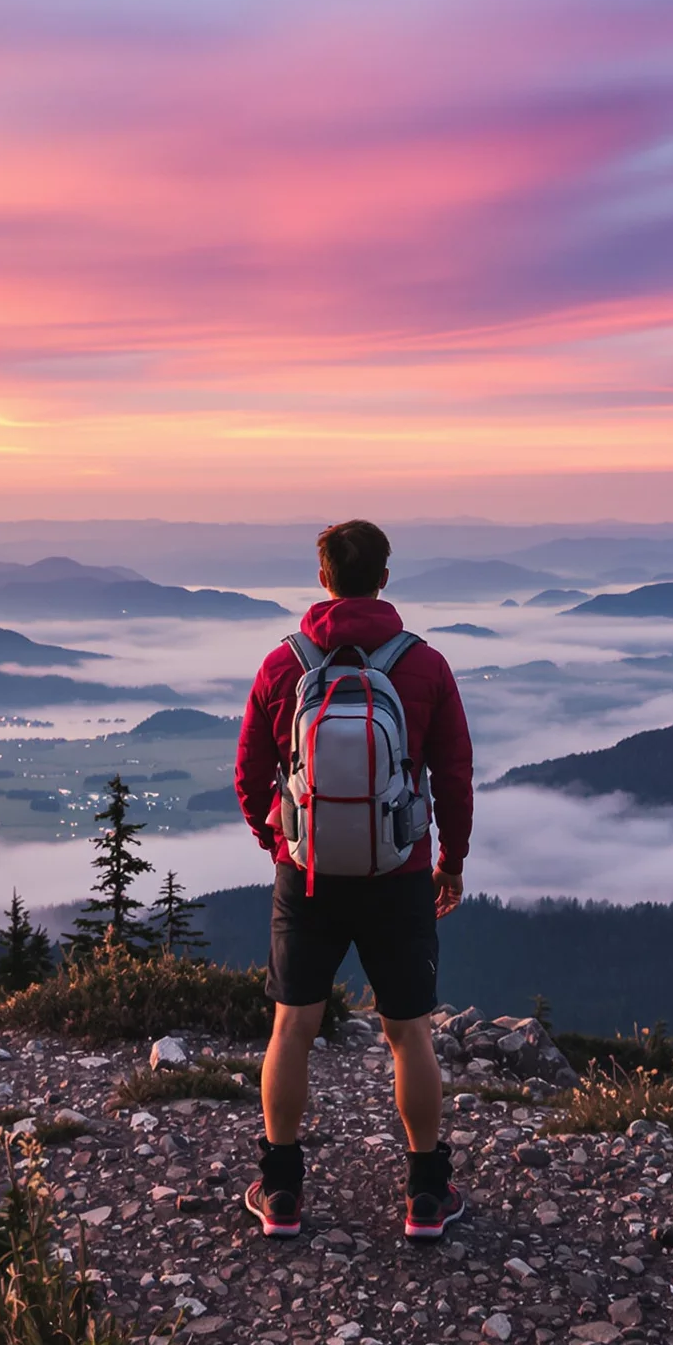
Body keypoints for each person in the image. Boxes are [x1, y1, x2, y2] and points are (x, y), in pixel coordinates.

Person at [233, 518, 474, 1240]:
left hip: (306, 877)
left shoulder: (284, 664)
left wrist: (279, 841)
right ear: (385, 578)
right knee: (409, 1034)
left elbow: (249, 774)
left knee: (294, 1025)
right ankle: (426, 1196)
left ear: (323, 579)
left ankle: (281, 1193)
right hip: (398, 873)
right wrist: (450, 861)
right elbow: (454, 777)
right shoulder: (424, 666)